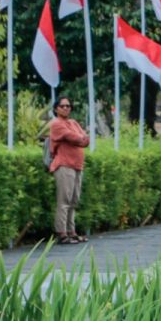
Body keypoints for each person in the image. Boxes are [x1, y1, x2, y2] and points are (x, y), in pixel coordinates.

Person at [48, 95, 89, 243]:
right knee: (64, 201)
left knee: (74, 201)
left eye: (68, 106)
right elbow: (76, 138)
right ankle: (62, 233)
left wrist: (82, 137)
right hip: (64, 165)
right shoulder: (56, 124)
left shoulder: (73, 122)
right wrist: (81, 137)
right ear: (56, 109)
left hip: (77, 165)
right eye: (62, 106)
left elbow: (86, 139)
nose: (66, 108)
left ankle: (72, 231)